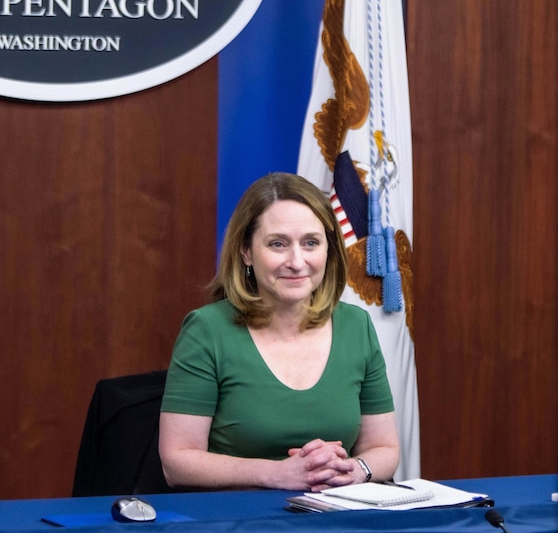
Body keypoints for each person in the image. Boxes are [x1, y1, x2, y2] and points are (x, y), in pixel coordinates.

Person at [159, 172, 399, 491]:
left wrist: (354, 470)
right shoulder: (206, 330)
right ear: (246, 251)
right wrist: (276, 474)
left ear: (329, 250)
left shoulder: (357, 326)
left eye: (311, 243)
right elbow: (177, 462)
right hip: (237, 525)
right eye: (278, 244)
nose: (297, 261)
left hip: (335, 517)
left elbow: (385, 449)